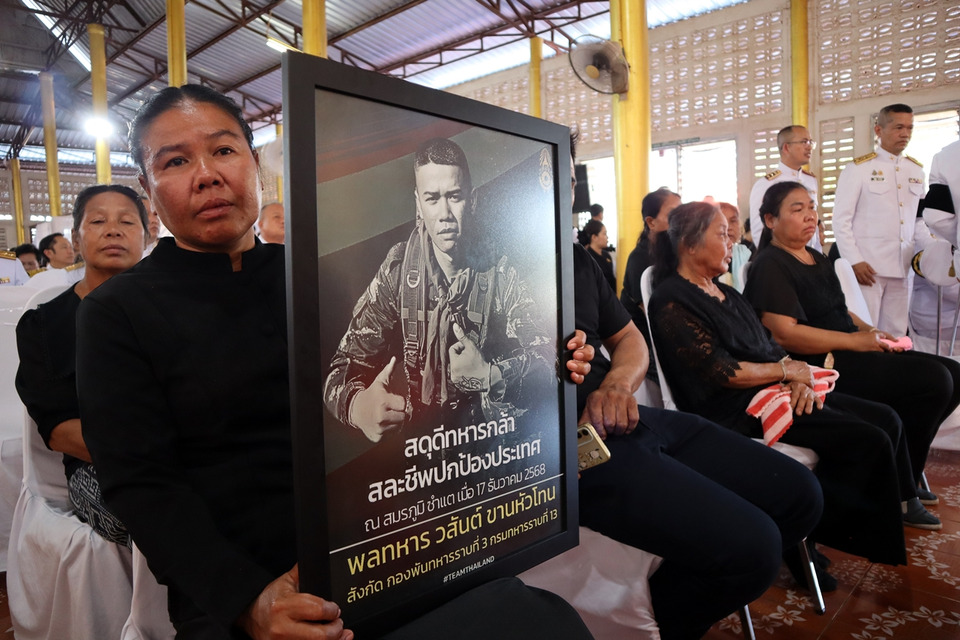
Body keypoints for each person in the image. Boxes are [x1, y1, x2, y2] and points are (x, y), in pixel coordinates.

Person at [76, 84, 590, 640]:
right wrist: (250, 602)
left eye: (223, 150)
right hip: (252, 584)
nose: (206, 175)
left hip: (384, 543)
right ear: (148, 190)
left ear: (255, 164)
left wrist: (552, 364)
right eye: (175, 161)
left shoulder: (315, 275)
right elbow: (142, 484)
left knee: (543, 619)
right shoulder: (116, 313)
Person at [567, 135, 823, 639]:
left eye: (569, 177)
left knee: (799, 495)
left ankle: (667, 607)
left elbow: (629, 339)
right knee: (753, 548)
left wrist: (617, 383)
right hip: (570, 444)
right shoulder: (477, 273)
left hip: (630, 418)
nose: (563, 189)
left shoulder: (575, 259)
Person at [647, 202, 937, 577]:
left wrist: (796, 376)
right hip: (733, 407)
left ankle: (818, 529)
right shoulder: (672, 299)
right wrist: (786, 371)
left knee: (886, 418)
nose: (731, 241)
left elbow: (768, 345)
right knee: (868, 437)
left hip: (773, 388)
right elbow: (722, 371)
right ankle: (809, 533)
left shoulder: (726, 294)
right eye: (721, 234)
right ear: (689, 244)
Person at [323, 137, 554, 444]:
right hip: (421, 451)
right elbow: (341, 369)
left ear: (471, 200)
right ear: (418, 204)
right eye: (432, 198)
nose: (444, 213)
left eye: (454, 196)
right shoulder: (399, 271)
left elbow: (548, 361)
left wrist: (490, 376)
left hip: (492, 448)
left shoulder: (500, 268)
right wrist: (359, 407)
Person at [744, 181, 959, 509]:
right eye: (797, 209)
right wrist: (855, 342)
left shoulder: (816, 256)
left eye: (812, 207)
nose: (810, 216)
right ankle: (901, 489)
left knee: (953, 373)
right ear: (770, 220)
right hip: (821, 363)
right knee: (934, 381)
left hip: (848, 349)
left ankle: (905, 475)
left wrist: (872, 331)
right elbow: (785, 334)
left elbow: (839, 311)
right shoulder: (770, 264)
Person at [16, 184, 148, 545]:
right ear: (76, 239)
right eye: (98, 221)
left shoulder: (173, 311)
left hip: (189, 456)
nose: (113, 230)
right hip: (99, 466)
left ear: (147, 238)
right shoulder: (45, 324)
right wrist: (148, 457)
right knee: (150, 514)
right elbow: (58, 429)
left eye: (127, 222)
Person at [832, 103, 925, 335]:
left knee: (896, 333)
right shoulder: (859, 169)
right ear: (878, 130)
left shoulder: (915, 170)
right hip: (868, 268)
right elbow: (841, 220)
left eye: (910, 128)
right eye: (898, 127)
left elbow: (918, 220)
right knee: (866, 331)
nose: (905, 134)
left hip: (903, 266)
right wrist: (854, 261)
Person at [749, 125, 822, 253]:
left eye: (811, 142)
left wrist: (816, 255)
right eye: (804, 142)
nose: (809, 147)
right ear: (786, 147)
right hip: (781, 257)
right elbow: (759, 231)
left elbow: (813, 229)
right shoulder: (766, 183)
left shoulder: (810, 180)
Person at [718, 201, 751, 291]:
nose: (728, 227)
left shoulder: (747, 253)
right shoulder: (708, 260)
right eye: (722, 221)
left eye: (733, 221)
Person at [580, 218, 615, 290]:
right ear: (594, 237)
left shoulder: (606, 255)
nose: (607, 237)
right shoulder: (587, 258)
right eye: (604, 234)